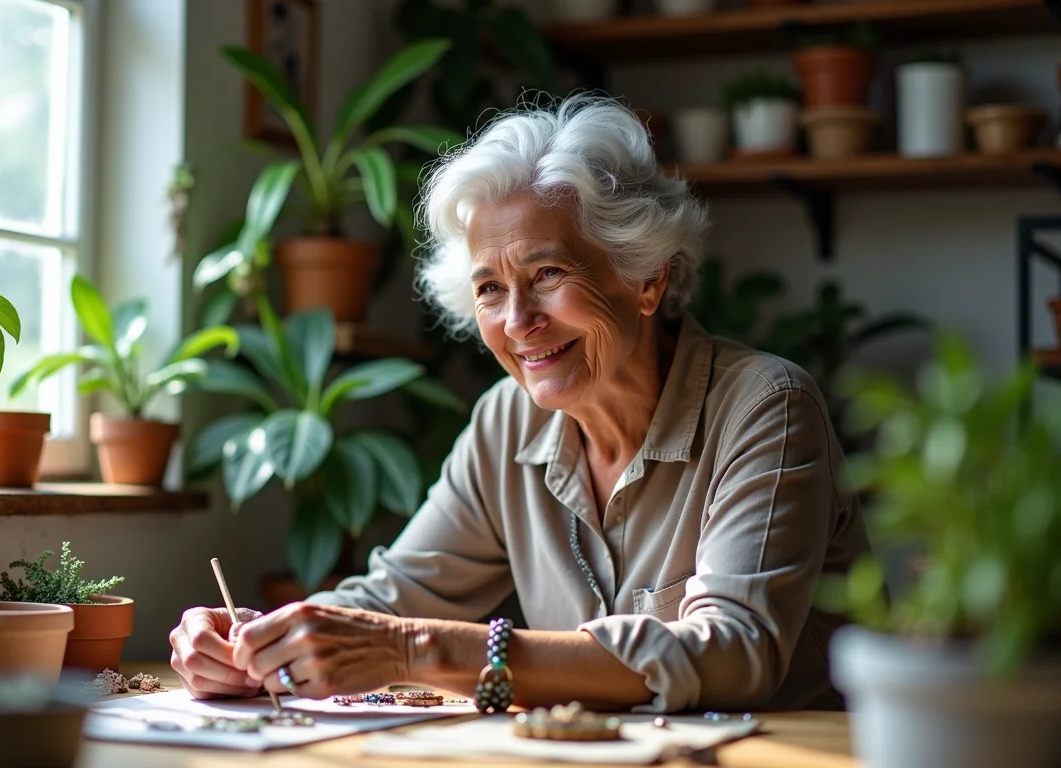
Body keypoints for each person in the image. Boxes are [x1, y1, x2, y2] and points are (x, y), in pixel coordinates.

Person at [170, 95, 870, 713]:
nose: (517, 321)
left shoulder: (766, 407)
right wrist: (258, 639)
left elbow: (732, 653)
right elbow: (389, 603)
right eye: (489, 290)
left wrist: (415, 651)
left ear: (647, 281)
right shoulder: (505, 423)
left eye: (548, 273)